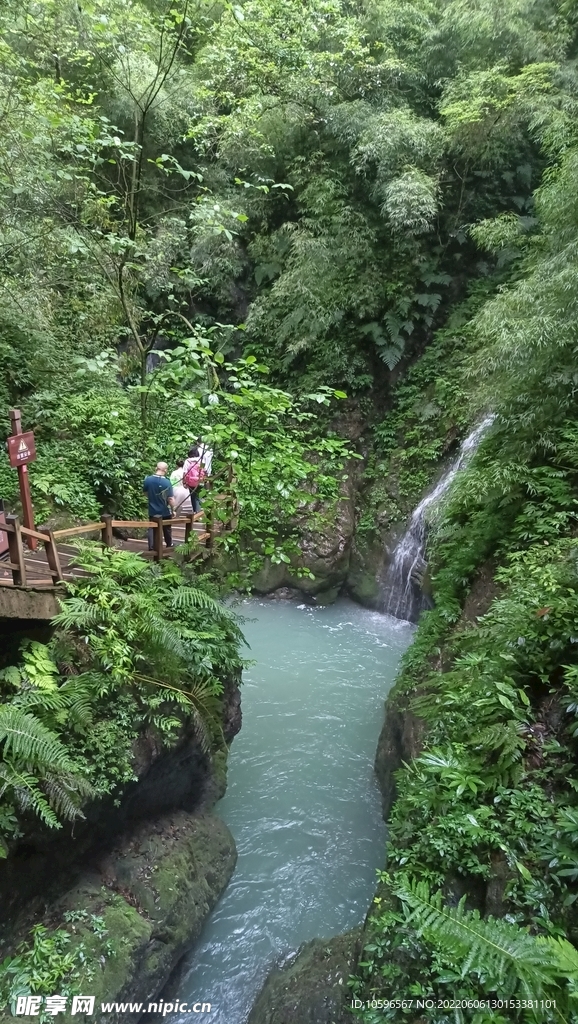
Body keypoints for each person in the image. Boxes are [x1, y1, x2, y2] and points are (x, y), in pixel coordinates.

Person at [143, 462, 175, 551]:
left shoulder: (148, 480)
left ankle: (151, 547)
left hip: (153, 510)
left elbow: (145, 493)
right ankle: (169, 544)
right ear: (165, 470)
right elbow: (171, 499)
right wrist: (173, 510)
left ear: (156, 468)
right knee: (167, 528)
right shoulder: (167, 482)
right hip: (164, 510)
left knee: (152, 528)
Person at [182, 446, 206, 514]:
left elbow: (185, 472)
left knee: (193, 497)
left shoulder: (187, 461)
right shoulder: (202, 460)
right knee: (199, 496)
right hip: (200, 481)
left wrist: (184, 482)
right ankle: (202, 510)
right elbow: (203, 471)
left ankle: (196, 512)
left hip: (191, 482)